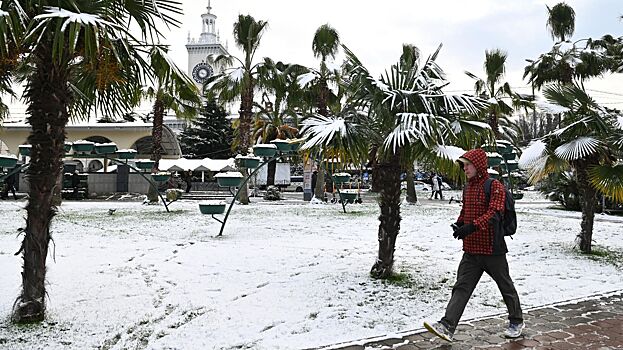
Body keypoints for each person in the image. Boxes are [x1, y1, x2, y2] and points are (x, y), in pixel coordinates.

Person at [424, 148, 523, 342]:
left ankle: (516, 321)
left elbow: (494, 214)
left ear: (478, 165)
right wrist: (460, 224)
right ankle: (447, 326)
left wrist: (471, 227)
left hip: (492, 250)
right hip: (471, 251)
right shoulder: (468, 187)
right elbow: (466, 210)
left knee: (505, 286)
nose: (465, 169)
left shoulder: (494, 186)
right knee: (461, 287)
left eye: (467, 165)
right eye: (463, 165)